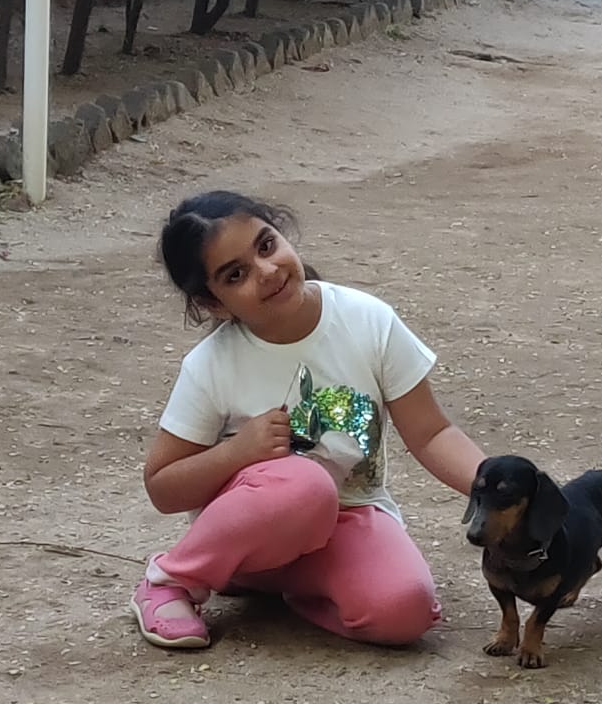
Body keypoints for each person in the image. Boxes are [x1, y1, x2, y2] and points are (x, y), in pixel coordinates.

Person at [130, 190, 485, 650]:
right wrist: (237, 452)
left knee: (405, 612)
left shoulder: (367, 321)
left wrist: (505, 489)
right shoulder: (213, 364)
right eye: (236, 275)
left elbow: (433, 433)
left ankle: (294, 588)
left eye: (266, 245)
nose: (268, 271)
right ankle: (172, 580)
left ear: (282, 232)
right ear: (215, 303)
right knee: (307, 486)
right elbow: (162, 486)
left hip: (348, 518)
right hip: (264, 524)